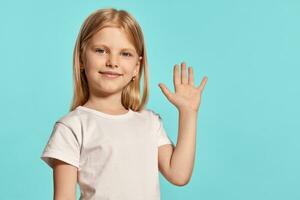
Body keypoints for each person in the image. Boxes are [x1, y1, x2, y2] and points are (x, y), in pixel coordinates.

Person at [40, 7, 208, 200]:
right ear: (81, 59)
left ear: (137, 66)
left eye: (125, 54)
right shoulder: (72, 127)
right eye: (101, 50)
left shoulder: (150, 122)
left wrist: (188, 113)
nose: (113, 61)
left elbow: (178, 174)